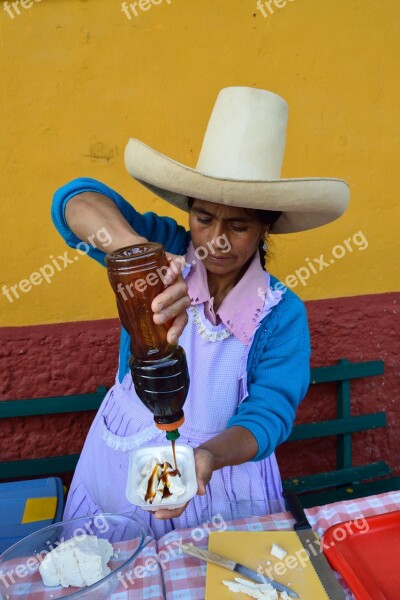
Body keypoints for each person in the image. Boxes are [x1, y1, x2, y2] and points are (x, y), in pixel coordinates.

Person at [52, 87, 349, 539]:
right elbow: (74, 201)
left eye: (239, 224)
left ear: (266, 226)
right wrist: (135, 255)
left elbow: (269, 414)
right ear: (189, 210)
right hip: (122, 455)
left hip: (221, 475)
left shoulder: (280, 314)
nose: (217, 240)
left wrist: (207, 457)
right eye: (204, 217)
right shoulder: (166, 249)